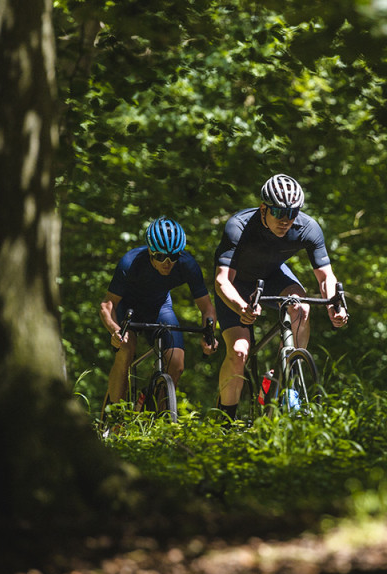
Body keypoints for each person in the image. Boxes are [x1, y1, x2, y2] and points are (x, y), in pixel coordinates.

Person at [213, 174, 348, 421]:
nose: (286, 220)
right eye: (278, 212)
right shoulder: (239, 226)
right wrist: (241, 306)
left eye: (292, 213)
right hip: (236, 284)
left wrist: (334, 305)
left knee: (301, 307)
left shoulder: (308, 228)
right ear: (263, 208)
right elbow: (222, 281)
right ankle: (225, 422)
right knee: (239, 352)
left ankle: (284, 379)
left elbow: (325, 277)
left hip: (272, 275)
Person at [100, 217, 218, 406]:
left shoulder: (187, 265)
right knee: (126, 349)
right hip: (128, 307)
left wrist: (209, 334)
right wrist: (114, 330)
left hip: (159, 307)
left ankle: (160, 415)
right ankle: (115, 413)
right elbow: (107, 305)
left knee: (177, 363)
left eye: (173, 257)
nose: (167, 262)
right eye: (160, 256)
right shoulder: (130, 262)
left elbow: (207, 308)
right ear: (150, 251)